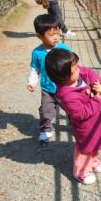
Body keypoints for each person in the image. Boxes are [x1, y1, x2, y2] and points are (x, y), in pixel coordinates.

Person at [45, 49, 101, 185]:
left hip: (96, 122)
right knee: (85, 148)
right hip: (85, 127)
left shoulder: (77, 76)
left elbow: (88, 71)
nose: (79, 70)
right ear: (63, 77)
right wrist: (97, 100)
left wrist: (95, 82)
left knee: (95, 144)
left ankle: (93, 162)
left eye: (77, 66)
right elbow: (80, 113)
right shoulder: (67, 95)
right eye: (74, 70)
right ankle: (81, 172)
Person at [28, 14, 72, 145]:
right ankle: (45, 130)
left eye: (57, 33)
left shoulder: (65, 49)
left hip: (65, 87)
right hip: (48, 89)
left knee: (72, 108)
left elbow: (73, 66)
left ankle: (77, 125)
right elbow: (35, 69)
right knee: (45, 111)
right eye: (51, 35)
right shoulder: (37, 53)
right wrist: (32, 82)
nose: (56, 38)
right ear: (40, 36)